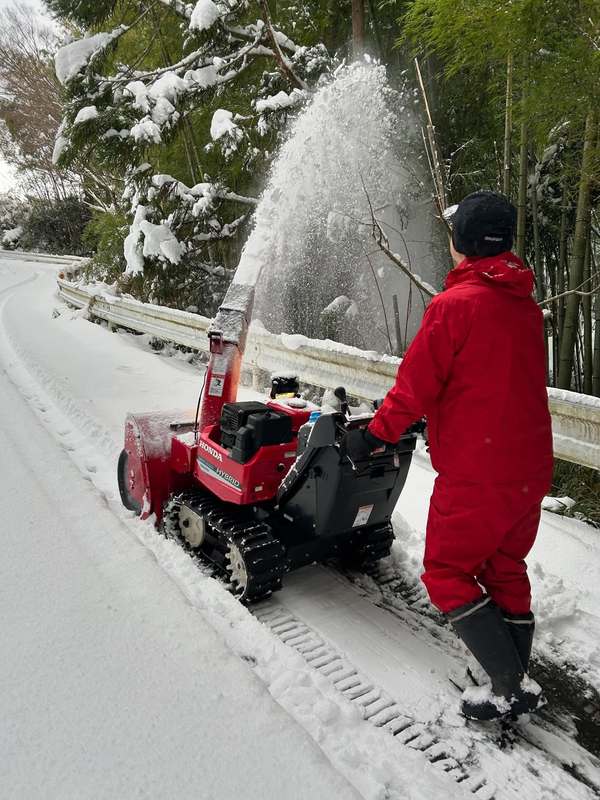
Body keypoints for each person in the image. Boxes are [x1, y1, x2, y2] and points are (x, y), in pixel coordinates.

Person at [345, 191, 554, 721]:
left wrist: (377, 434)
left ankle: (507, 685)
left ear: (464, 243)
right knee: (505, 566)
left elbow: (415, 386)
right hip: (528, 469)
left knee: (445, 572)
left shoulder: (454, 306)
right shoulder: (525, 307)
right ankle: (515, 673)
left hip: (478, 470)